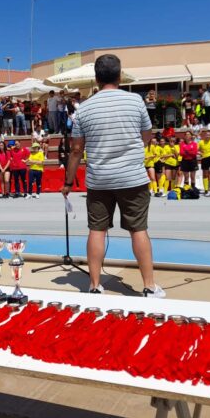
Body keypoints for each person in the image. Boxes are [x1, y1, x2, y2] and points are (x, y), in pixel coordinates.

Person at [62, 54, 164, 298]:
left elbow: (76, 150)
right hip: (132, 177)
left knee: (97, 230)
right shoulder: (136, 101)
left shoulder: (84, 109)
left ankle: (95, 285)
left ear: (96, 79)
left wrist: (68, 182)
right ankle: (149, 286)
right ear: (119, 75)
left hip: (100, 180)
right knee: (138, 229)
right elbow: (147, 136)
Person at [198, 129, 210, 195]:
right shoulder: (201, 142)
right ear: (204, 135)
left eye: (209, 135)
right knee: (205, 174)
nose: (207, 136)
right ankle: (206, 190)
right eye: (206, 135)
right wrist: (200, 153)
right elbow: (196, 150)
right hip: (204, 158)